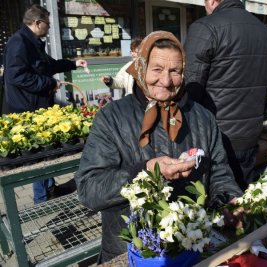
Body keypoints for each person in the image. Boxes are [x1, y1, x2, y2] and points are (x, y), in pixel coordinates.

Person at [74, 31, 243, 263]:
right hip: (133, 250)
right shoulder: (111, 118)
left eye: (175, 71)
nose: (166, 80)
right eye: (157, 70)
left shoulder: (202, 117)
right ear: (141, 69)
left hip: (194, 244)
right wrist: (142, 173)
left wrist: (231, 200)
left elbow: (220, 172)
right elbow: (89, 190)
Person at [183, 0, 267, 190]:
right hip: (250, 133)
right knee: (242, 200)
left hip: (214, 136)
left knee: (211, 204)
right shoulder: (264, 31)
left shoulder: (206, 27)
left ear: (212, 1)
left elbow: (190, 87)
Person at [3, 4, 88, 204]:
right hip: (26, 108)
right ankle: (41, 200)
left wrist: (74, 63)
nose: (49, 28)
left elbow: (48, 65)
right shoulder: (19, 43)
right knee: (38, 154)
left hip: (36, 105)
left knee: (46, 149)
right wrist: (50, 83)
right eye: (47, 24)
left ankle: (49, 189)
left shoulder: (32, 42)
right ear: (37, 23)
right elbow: (17, 76)